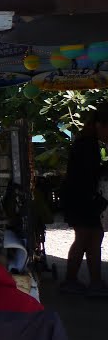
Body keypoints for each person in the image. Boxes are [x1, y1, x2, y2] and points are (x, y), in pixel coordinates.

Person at [60, 102, 108, 296]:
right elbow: (88, 175)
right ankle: (79, 281)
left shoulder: (86, 143)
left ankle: (89, 281)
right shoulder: (87, 145)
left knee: (92, 237)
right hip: (81, 199)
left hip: (80, 198)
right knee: (87, 237)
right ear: (100, 125)